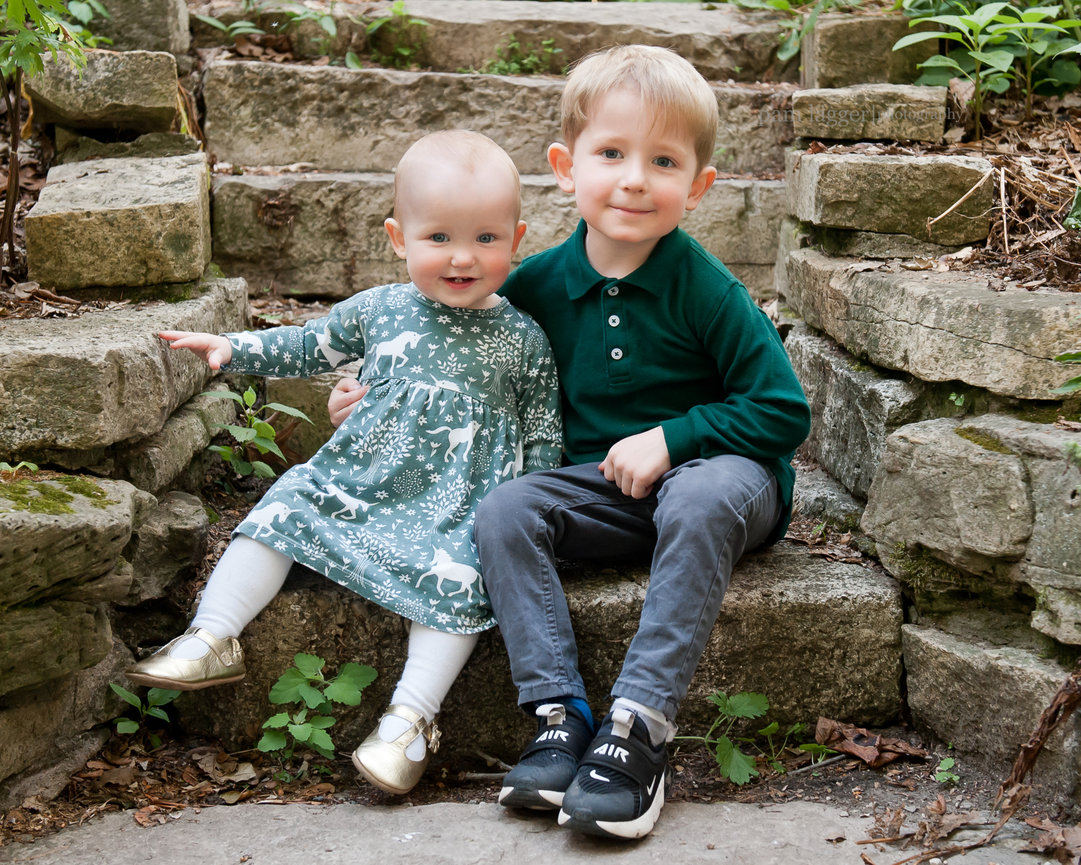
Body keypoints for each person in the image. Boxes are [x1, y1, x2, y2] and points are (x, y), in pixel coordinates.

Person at [329, 45, 811, 838]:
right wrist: (373, 400)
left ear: (697, 187)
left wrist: (676, 436)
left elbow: (781, 410)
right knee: (504, 509)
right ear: (565, 168)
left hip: (722, 487)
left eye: (662, 161)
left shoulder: (705, 288)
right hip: (603, 494)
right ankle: (559, 718)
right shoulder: (532, 287)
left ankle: (638, 728)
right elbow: (449, 357)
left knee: (698, 492)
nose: (633, 179)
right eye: (611, 153)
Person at [128, 130, 563, 798]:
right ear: (398, 237)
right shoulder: (380, 309)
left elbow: (541, 434)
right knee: (288, 499)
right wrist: (232, 346)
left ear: (517, 238)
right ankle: (212, 634)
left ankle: (409, 718)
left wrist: (531, 511)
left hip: (457, 509)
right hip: (362, 482)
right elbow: (308, 346)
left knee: (458, 580)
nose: (462, 257)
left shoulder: (524, 338)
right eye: (438, 237)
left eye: (485, 238)